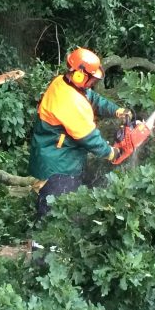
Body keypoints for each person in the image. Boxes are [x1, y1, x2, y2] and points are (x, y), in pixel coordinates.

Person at [28, 47, 131, 220]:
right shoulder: (69, 100)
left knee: (62, 211)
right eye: (91, 79)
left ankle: (53, 245)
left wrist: (117, 110)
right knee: (53, 216)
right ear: (79, 75)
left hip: (59, 155)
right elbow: (89, 138)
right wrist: (111, 153)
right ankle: (44, 247)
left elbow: (93, 99)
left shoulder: (63, 82)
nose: (92, 84)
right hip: (59, 165)